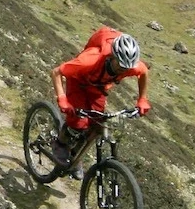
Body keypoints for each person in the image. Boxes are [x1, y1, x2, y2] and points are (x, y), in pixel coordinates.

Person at [49, 27, 150, 166]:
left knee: (97, 122)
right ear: (112, 56)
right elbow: (56, 72)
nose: (124, 70)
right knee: (78, 121)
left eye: (127, 67)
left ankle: (74, 157)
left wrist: (142, 99)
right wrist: (62, 98)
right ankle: (60, 144)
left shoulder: (130, 65)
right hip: (78, 81)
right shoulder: (90, 60)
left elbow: (143, 73)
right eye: (121, 65)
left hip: (98, 87)